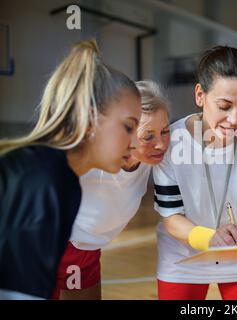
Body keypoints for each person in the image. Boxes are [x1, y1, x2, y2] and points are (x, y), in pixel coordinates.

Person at [0, 40, 141, 299]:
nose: (135, 143)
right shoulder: (44, 179)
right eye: (129, 127)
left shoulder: (65, 182)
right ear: (89, 119)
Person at [153, 46, 237, 300]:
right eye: (224, 106)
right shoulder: (171, 141)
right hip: (183, 257)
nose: (235, 119)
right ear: (200, 95)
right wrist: (210, 238)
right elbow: (171, 218)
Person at [52, 81, 170, 300]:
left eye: (165, 131)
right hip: (57, 246)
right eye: (149, 136)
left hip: (88, 251)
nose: (161, 144)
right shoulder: (90, 157)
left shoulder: (152, 156)